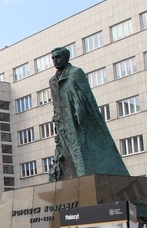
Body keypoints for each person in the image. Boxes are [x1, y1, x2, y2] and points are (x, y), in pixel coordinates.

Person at [48, 46, 130, 181]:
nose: (55, 60)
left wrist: (80, 114)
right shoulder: (53, 81)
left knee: (83, 154)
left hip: (79, 121)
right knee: (68, 157)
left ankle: (87, 177)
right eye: (53, 58)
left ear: (66, 58)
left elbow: (86, 97)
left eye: (58, 57)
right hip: (63, 125)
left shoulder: (75, 73)